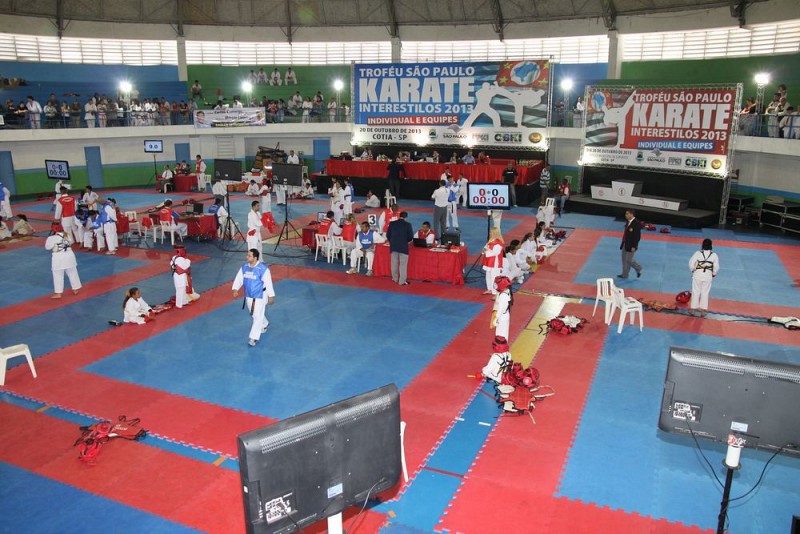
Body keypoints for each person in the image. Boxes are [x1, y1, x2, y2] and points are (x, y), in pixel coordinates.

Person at [232, 248, 276, 347]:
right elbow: (239, 279)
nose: (247, 257)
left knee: (257, 316)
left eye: (249, 256)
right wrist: (235, 289)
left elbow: (268, 283)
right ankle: (265, 324)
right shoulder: (244, 267)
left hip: (260, 296)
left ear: (255, 258)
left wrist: (271, 296)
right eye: (247, 255)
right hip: (249, 295)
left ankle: (253, 338)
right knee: (254, 314)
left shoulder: (263, 269)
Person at [45, 228, 81, 299]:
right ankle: (75, 288)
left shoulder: (51, 238)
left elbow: (47, 247)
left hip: (59, 257)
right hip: (70, 256)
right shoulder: (67, 235)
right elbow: (71, 242)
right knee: (72, 272)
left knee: (58, 275)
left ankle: (58, 293)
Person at [688, 238, 720, 317]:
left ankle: (693, 310)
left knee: (695, 291)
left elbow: (691, 263)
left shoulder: (697, 253)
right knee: (705, 292)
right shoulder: (714, 255)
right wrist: (714, 273)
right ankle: (703, 311)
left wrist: (693, 270)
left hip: (697, 274)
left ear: (702, 245)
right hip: (708, 275)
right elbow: (716, 267)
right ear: (711, 246)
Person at [386, 211, 414, 286]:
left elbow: (388, 235)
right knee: (403, 264)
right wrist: (405, 241)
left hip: (393, 246)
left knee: (394, 263)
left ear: (399, 216)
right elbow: (410, 237)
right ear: (406, 217)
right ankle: (402, 281)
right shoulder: (408, 225)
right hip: (403, 247)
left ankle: (394, 278)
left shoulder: (392, 223)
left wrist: (392, 241)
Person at [171, 244, 198, 308]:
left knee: (183, 289)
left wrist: (185, 269)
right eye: (183, 250)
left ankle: (184, 302)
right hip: (179, 276)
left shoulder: (174, 257)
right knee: (180, 290)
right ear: (180, 251)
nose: (185, 252)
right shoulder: (180, 259)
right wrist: (187, 260)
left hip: (179, 275)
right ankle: (179, 305)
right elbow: (186, 266)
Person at [619, 209, 642, 279]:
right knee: (624, 260)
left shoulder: (636, 224)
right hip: (625, 243)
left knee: (628, 260)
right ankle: (625, 274)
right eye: (625, 214)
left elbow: (637, 237)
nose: (625, 215)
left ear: (631, 214)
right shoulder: (628, 222)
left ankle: (638, 268)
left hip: (631, 245)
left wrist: (634, 246)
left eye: (627, 214)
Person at [482, 228, 505, 295]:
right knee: (488, 275)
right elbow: (486, 247)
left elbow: (495, 253)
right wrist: (484, 250)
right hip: (489, 262)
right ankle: (489, 289)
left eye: (491, 232)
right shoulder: (491, 241)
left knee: (494, 276)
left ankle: (495, 292)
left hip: (495, 262)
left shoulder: (498, 243)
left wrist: (486, 251)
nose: (490, 233)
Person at [491, 275, 513, 340]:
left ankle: (501, 346)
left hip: (502, 316)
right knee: (503, 333)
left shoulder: (503, 296)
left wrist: (496, 318)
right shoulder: (507, 291)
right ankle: (503, 346)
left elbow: (501, 308)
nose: (496, 286)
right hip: (504, 315)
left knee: (500, 334)